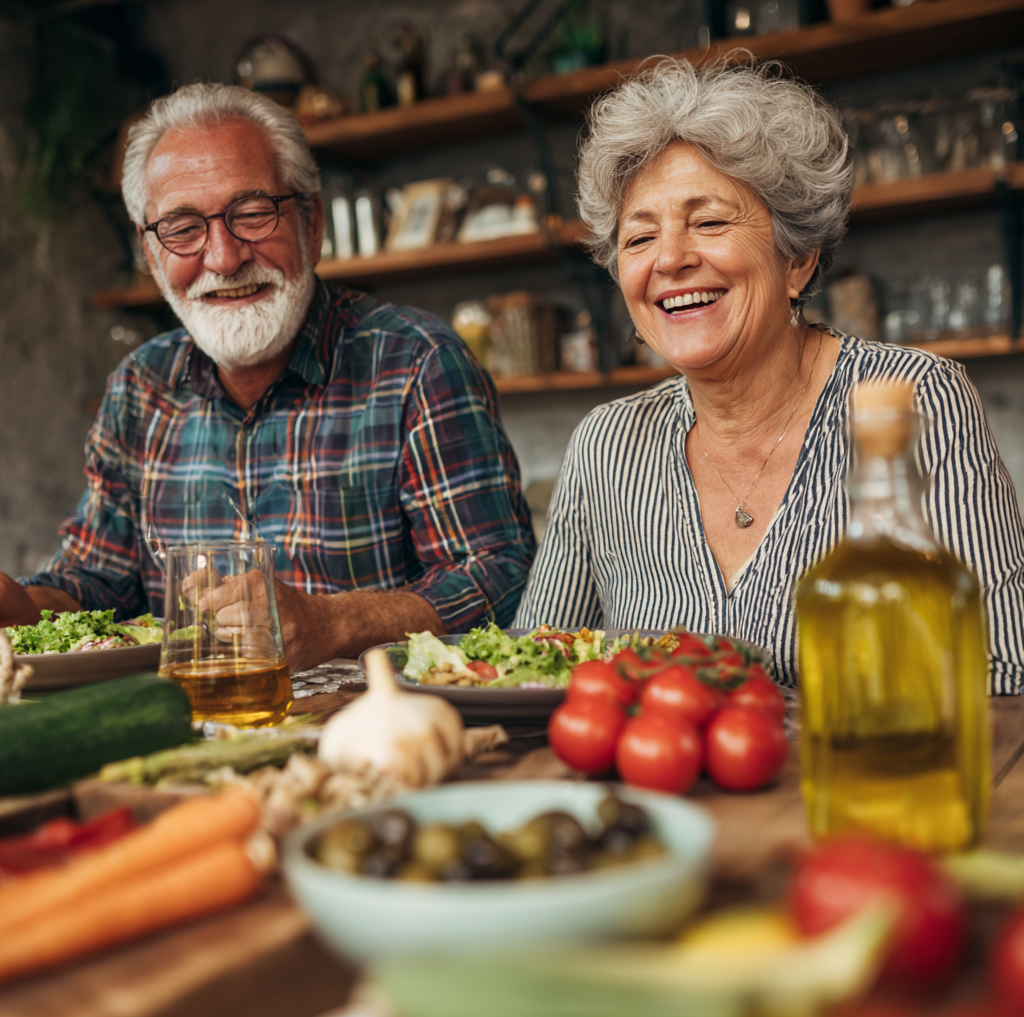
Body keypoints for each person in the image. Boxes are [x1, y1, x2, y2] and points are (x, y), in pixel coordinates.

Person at [514, 57, 1024, 693]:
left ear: (799, 259)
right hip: (657, 787)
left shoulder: (910, 403)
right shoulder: (608, 445)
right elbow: (533, 672)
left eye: (709, 221)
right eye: (639, 238)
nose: (670, 259)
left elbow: (1003, 675)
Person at [0, 83, 535, 671]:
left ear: (312, 223)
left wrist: (333, 623)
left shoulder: (417, 362)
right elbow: (96, 578)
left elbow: (502, 577)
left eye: (252, 213)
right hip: (189, 729)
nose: (224, 258)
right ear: (151, 254)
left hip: (374, 728)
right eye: (182, 229)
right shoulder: (140, 387)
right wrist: (22, 605)